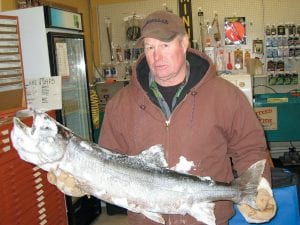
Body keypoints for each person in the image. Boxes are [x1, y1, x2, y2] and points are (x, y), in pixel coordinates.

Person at [48, 10, 276, 225]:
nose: (156, 56)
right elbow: (108, 162)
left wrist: (261, 186)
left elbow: (250, 147)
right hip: (146, 220)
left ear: (184, 43)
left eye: (165, 45)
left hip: (206, 219)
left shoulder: (226, 96)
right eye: (149, 47)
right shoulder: (120, 104)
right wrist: (83, 181)